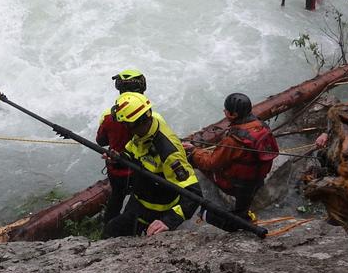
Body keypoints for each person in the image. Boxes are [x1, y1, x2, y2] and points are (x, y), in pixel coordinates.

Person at [102, 92, 202, 238]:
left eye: (125, 124)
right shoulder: (144, 131)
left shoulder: (168, 152)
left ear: (134, 123)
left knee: (111, 232)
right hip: (138, 200)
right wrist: (119, 159)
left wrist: (168, 221)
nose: (124, 127)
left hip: (155, 211)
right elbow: (132, 152)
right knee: (113, 230)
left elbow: (194, 194)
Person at [183, 93, 278, 231]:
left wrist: (194, 151)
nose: (224, 112)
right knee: (241, 210)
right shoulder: (262, 126)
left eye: (226, 110)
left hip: (235, 185)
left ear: (232, 115)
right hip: (256, 182)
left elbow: (211, 163)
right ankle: (242, 214)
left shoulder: (233, 140)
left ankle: (205, 214)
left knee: (195, 159)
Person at [96, 69, 146, 224]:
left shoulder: (108, 116)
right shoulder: (148, 112)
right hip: (141, 169)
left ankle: (108, 225)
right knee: (140, 197)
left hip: (117, 170)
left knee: (117, 196)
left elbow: (101, 141)